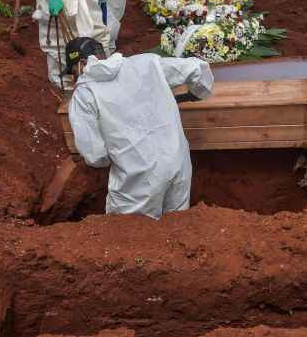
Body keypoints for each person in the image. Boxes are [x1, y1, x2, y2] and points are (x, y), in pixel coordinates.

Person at [65, 37, 215, 219]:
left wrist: (113, 158)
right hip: (177, 162)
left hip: (137, 180)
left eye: (73, 72)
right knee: (177, 229)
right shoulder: (146, 63)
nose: (74, 78)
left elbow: (95, 155)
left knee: (132, 239)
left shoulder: (84, 94)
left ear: (81, 63)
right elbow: (197, 68)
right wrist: (198, 93)